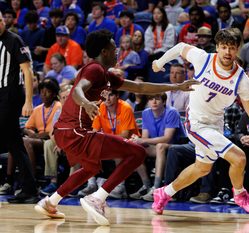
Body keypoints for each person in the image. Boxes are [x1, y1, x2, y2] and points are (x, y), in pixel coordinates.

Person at [34, 29, 197, 225]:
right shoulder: (93, 69)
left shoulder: (106, 75)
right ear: (104, 52)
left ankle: (50, 202)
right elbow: (77, 89)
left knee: (91, 167)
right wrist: (86, 103)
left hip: (67, 132)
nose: (117, 52)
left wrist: (176, 87)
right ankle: (97, 198)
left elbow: (140, 87)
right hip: (75, 131)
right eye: (114, 48)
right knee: (137, 152)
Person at [151, 28, 249, 215]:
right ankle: (240, 194)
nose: (227, 52)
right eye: (223, 47)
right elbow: (181, 47)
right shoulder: (203, 59)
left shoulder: (242, 80)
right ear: (218, 47)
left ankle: (164, 192)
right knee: (239, 157)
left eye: (231, 48)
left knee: (202, 168)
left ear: (237, 49)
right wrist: (160, 62)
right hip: (195, 122)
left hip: (215, 124)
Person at [0, 11, 38, 204]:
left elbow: (27, 71)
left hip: (11, 94)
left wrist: (29, 101)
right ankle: (29, 188)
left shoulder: (15, 40)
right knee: (14, 141)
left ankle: (28, 187)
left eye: (0, 20)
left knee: (12, 140)